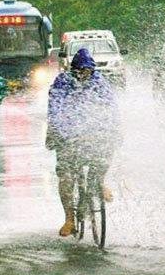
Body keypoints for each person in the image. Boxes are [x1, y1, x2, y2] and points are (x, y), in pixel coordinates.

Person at [46, 48, 120, 237]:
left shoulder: (99, 82)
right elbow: (56, 109)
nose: (83, 75)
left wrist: (114, 129)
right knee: (66, 176)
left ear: (92, 70)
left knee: (106, 152)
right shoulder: (62, 82)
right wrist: (60, 133)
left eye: (86, 71)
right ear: (73, 69)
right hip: (68, 136)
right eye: (79, 71)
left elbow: (110, 108)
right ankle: (69, 218)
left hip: (94, 134)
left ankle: (100, 182)